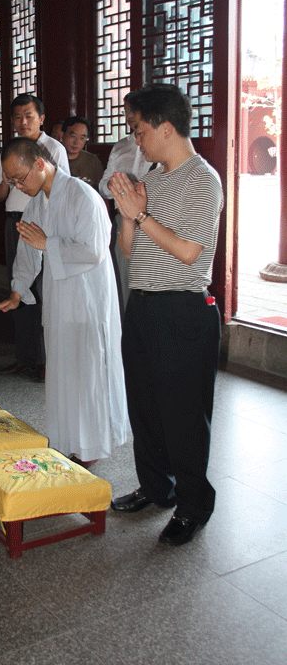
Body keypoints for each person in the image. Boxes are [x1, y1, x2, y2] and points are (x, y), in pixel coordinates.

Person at [108, 83, 223, 547]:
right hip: (143, 306)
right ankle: (157, 487)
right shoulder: (149, 181)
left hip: (182, 309)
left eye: (140, 131)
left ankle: (194, 505)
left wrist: (143, 215)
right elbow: (128, 251)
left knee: (183, 415)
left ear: (167, 127)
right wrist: (127, 215)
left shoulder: (203, 179)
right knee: (147, 407)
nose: (137, 141)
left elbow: (191, 253)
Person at [0, 137, 127, 466]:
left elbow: (94, 250)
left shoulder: (83, 195)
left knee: (88, 370)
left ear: (39, 163)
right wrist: (18, 291)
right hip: (60, 298)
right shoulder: (37, 202)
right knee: (63, 370)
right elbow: (28, 251)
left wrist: (49, 243)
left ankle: (91, 447)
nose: (18, 186)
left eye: (20, 178)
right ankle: (67, 441)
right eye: (11, 182)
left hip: (88, 298)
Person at [0, 94, 69, 380]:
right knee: (20, 291)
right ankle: (25, 358)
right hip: (16, 224)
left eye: (29, 115)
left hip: (44, 227)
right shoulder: (10, 151)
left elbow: (61, 192)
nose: (23, 122)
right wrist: (4, 182)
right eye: (17, 117)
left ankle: (49, 361)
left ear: (41, 118)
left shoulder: (54, 149)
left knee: (46, 293)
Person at [99, 97, 151, 312]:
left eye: (135, 110)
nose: (130, 115)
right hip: (123, 219)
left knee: (148, 282)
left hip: (151, 219)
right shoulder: (121, 146)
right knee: (122, 278)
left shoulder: (158, 145)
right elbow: (103, 186)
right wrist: (117, 185)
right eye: (126, 110)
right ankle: (123, 330)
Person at [61, 116, 104, 190]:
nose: (76, 142)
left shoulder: (92, 161)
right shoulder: (53, 157)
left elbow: (102, 190)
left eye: (82, 138)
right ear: (62, 135)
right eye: (73, 136)